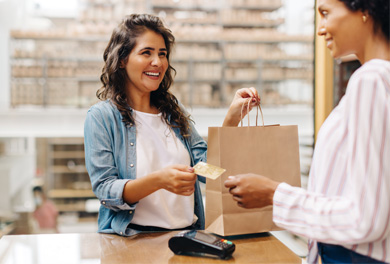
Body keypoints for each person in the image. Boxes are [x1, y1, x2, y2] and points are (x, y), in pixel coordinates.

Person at [224, 0, 390, 263]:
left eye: (325, 13)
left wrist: (273, 193)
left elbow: (365, 218)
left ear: (365, 11)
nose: (320, 29)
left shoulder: (370, 79)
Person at [84, 14, 259, 237]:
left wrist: (232, 118)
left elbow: (208, 171)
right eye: (146, 52)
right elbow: (105, 190)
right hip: (133, 241)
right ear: (122, 59)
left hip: (186, 239)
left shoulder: (174, 113)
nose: (157, 62)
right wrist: (159, 180)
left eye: (162, 54)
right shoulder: (101, 117)